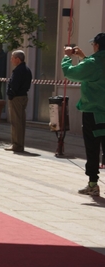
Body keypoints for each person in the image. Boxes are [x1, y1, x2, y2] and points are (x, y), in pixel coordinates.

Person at [62, 32, 105, 196]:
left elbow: (70, 73)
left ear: (97, 45)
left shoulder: (93, 62)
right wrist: (83, 56)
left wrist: (67, 57)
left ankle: (93, 184)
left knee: (92, 149)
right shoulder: (93, 61)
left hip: (94, 112)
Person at [4, 50, 32, 153]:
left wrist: (10, 95)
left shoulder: (19, 70)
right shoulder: (26, 69)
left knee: (16, 122)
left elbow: (14, 85)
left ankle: (17, 145)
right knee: (20, 121)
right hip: (22, 96)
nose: (11, 60)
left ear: (17, 59)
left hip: (17, 98)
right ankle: (17, 143)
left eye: (12, 57)